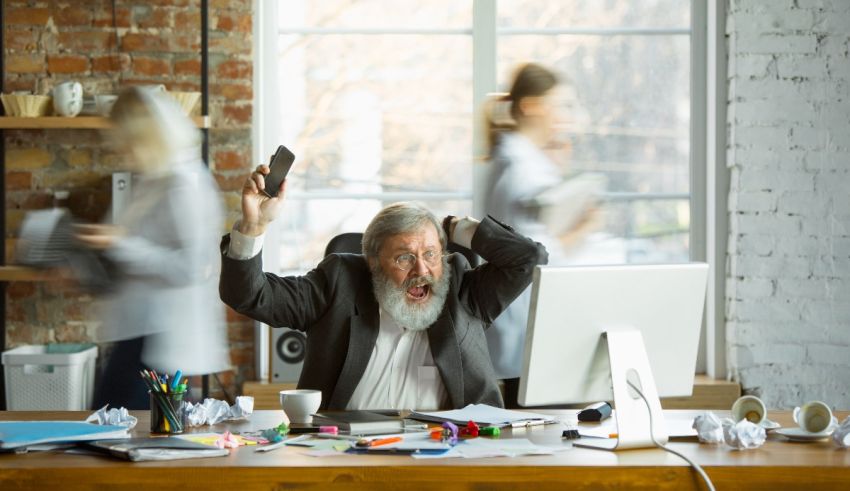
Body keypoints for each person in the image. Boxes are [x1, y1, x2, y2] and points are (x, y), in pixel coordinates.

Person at [219, 166, 548, 411]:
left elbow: (528, 258)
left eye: (431, 254)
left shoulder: (461, 286)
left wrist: (454, 227)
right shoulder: (338, 283)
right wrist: (253, 226)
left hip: (451, 456)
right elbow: (249, 294)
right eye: (405, 257)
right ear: (373, 262)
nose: (422, 270)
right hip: (348, 458)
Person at [80, 87, 230, 409]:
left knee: (122, 433)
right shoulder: (149, 180)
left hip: (161, 338)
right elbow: (130, 252)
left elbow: (193, 267)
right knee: (120, 432)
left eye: (126, 141)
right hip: (139, 331)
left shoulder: (182, 184)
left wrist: (118, 243)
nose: (120, 149)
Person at [483, 63, 602, 407]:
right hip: (521, 334)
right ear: (531, 106)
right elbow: (537, 257)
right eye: (561, 105)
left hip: (524, 329)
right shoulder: (520, 172)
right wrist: (584, 228)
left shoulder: (524, 163)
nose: (567, 115)